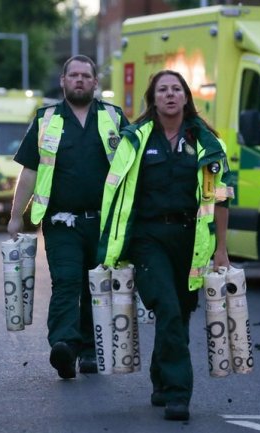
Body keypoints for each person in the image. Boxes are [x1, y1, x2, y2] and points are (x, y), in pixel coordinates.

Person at [97, 70, 233, 421]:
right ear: (153, 98)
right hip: (148, 239)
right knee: (168, 308)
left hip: (191, 240)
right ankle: (178, 394)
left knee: (180, 313)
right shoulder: (136, 138)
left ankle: (160, 379)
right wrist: (112, 246)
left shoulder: (207, 143)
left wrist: (220, 250)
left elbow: (220, 198)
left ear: (186, 97)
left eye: (176, 89)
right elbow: (115, 192)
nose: (170, 95)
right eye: (163, 90)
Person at [7, 55, 128, 379]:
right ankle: (64, 345)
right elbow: (30, 170)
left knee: (96, 285)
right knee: (67, 282)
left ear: (95, 82)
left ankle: (89, 349)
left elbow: (134, 171)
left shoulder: (114, 118)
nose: (79, 80)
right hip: (61, 222)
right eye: (73, 75)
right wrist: (16, 215)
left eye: (85, 76)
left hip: (104, 223)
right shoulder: (46, 119)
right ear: (63, 81)